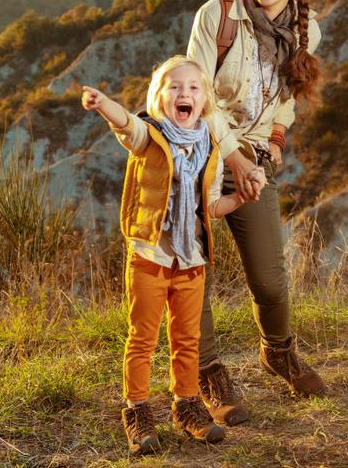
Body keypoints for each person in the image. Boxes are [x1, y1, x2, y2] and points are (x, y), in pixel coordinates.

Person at [185, 0, 327, 427]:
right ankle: (208, 372)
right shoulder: (218, 16)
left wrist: (272, 141)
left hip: (252, 163)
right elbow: (194, 98)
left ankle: (279, 352)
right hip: (197, 157)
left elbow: (286, 100)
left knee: (269, 278)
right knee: (193, 273)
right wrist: (235, 159)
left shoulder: (307, 29)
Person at [81, 56, 263, 454]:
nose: (185, 94)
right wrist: (104, 103)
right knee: (142, 338)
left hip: (191, 260)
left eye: (194, 88)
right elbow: (126, 124)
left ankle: (187, 406)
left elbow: (210, 207)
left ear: (204, 102)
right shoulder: (151, 136)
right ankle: (139, 411)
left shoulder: (211, 150)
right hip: (151, 256)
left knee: (187, 339)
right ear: (160, 97)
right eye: (175, 87)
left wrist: (239, 197)